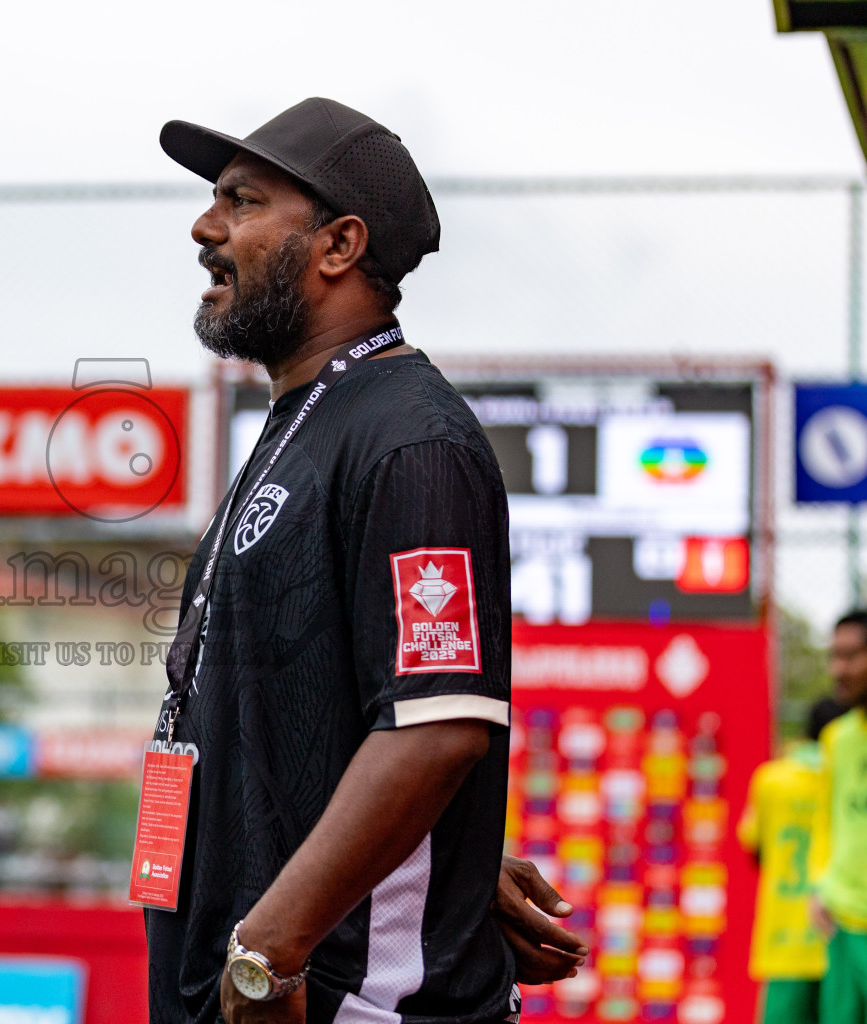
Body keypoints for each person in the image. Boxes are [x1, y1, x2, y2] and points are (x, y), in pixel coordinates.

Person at [147, 97, 585, 1024]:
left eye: (243, 200)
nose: (204, 226)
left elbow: (437, 727)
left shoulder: (409, 441)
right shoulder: (305, 423)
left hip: (349, 1002)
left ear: (339, 245)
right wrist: (438, 861)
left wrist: (273, 949)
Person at [810, 610, 867, 1024]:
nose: (837, 669)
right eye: (834, 656)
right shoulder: (836, 738)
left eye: (851, 656)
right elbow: (827, 820)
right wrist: (818, 887)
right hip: (841, 928)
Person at [738, 696, 847, 1024]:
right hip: (844, 935)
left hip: (784, 934)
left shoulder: (772, 779)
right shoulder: (850, 779)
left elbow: (754, 846)